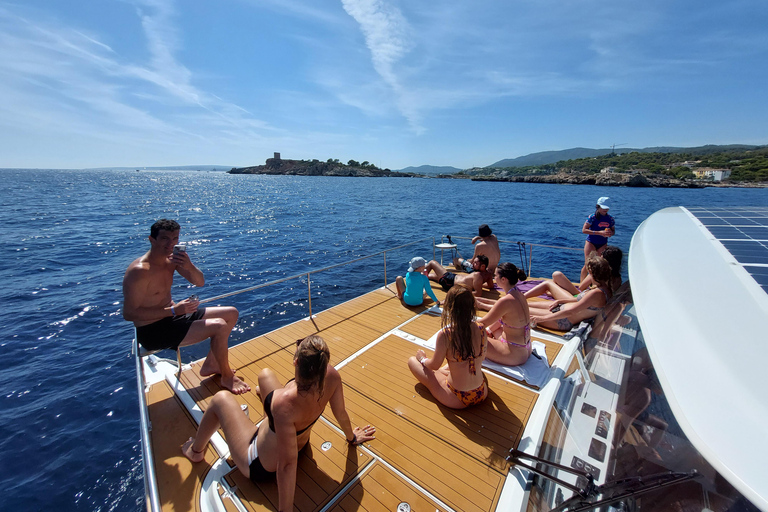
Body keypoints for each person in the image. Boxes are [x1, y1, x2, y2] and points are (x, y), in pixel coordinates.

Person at [182, 335, 375, 511]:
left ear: (296, 362)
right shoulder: (332, 377)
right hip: (299, 442)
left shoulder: (283, 404)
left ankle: (195, 451)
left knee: (221, 399)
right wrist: (352, 437)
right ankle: (265, 402)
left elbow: (286, 465)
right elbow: (340, 413)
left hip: (260, 463)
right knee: (265, 375)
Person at [122, 219, 249, 394]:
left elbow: (200, 282)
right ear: (152, 240)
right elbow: (129, 313)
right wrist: (174, 310)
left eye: (175, 238)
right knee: (219, 325)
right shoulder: (140, 271)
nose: (171, 244)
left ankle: (211, 365)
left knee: (231, 313)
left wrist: (188, 265)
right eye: (165, 238)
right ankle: (227, 377)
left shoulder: (172, 260)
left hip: (174, 317)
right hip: (153, 330)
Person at [408, 286, 489, 409]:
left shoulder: (446, 335)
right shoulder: (481, 328)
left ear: (450, 309)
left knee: (412, 361)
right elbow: (482, 357)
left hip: (456, 397)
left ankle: (439, 370)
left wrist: (422, 359)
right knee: (466, 363)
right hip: (482, 392)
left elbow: (433, 365)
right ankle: (447, 373)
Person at [528, 254, 612, 331]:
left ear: (590, 272)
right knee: (525, 304)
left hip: (561, 320)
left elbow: (571, 312)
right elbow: (583, 302)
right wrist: (561, 301)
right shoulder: (604, 288)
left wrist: (542, 318)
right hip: (561, 309)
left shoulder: (597, 293)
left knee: (522, 309)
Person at [476, 263, 532, 366]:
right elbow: (501, 319)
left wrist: (459, 326)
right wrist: (489, 330)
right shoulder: (519, 294)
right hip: (525, 347)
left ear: (503, 279)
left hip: (514, 354)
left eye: (495, 276)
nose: (494, 278)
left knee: (471, 338)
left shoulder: (505, 301)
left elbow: (481, 324)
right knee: (494, 329)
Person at [526, 245, 624, 299]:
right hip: (585, 298)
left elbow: (581, 287)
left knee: (549, 282)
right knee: (557, 275)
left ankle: (523, 297)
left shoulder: (600, 273)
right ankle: (555, 292)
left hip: (579, 300)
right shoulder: (617, 279)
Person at [580, 197, 615, 282]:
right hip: (591, 242)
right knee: (588, 264)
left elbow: (613, 231)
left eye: (607, 208)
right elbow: (584, 230)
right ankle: (582, 285)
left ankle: (595, 284)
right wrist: (600, 233)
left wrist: (610, 233)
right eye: (603, 207)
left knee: (599, 265)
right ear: (598, 207)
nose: (605, 209)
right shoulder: (592, 217)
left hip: (602, 243)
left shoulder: (610, 219)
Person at [425, 255, 494, 297]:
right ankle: (420, 275)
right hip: (451, 277)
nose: (472, 264)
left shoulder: (478, 275)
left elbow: (478, 294)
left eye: (475, 263)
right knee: (431, 276)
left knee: (432, 263)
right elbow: (490, 286)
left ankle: (418, 280)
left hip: (449, 281)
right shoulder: (488, 274)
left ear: (483, 266)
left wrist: (458, 292)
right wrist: (477, 284)